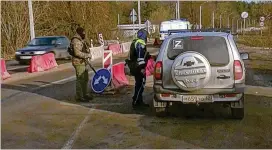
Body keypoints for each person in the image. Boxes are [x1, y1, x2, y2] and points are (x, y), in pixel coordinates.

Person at [71, 27, 93, 102]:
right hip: (78, 62)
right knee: (80, 79)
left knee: (85, 79)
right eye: (83, 33)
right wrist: (87, 55)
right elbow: (77, 53)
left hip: (83, 62)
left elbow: (85, 48)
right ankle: (79, 96)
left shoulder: (81, 40)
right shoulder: (76, 40)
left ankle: (85, 94)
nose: (84, 34)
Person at [130, 29, 151, 108]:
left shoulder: (136, 42)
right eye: (146, 36)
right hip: (138, 68)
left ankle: (139, 100)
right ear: (144, 36)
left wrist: (150, 57)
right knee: (141, 84)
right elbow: (140, 58)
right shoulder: (140, 43)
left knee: (138, 84)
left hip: (136, 67)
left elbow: (142, 55)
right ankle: (136, 102)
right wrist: (142, 69)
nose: (147, 38)